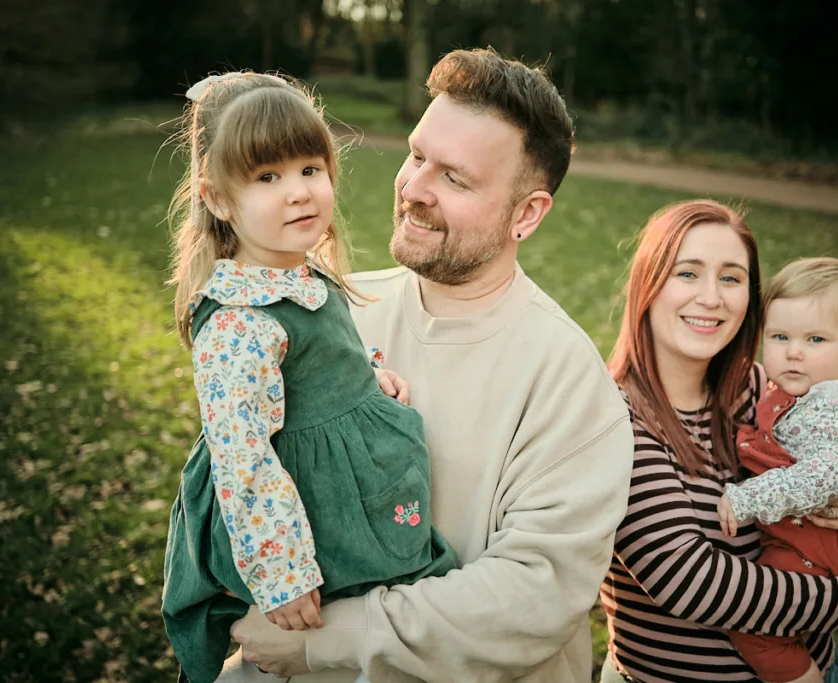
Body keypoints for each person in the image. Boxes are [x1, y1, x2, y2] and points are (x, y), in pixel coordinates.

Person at [219, 48, 635, 683]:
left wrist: (325, 641)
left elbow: (529, 600)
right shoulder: (331, 311)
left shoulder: (568, 382)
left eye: (455, 179)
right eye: (416, 156)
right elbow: (246, 485)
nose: (412, 189)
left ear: (527, 214)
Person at [160, 71, 460, 683]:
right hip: (294, 515)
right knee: (353, 619)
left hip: (344, 475)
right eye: (267, 178)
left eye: (308, 169)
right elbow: (243, 457)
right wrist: (283, 572)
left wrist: (363, 381)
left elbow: (310, 370)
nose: (297, 192)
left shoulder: (297, 270)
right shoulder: (240, 321)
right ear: (218, 199)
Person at [600, 200, 838, 683]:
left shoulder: (764, 389)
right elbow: (690, 582)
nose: (711, 298)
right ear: (649, 284)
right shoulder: (615, 419)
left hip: (820, 667)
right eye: (688, 273)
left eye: (731, 278)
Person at [717, 257, 838, 683]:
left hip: (815, 546)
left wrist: (746, 498)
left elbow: (825, 478)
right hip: (802, 540)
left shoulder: (833, 408)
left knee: (756, 631)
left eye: (815, 339)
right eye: (780, 337)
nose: (793, 352)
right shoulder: (796, 393)